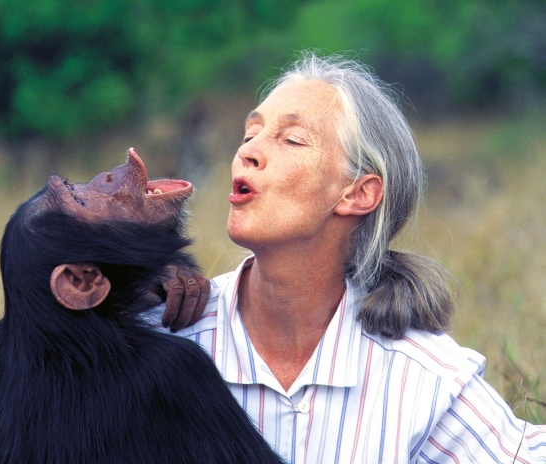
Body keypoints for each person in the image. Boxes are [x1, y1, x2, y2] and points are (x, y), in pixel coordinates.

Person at [155, 53, 546, 462]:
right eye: (250, 133)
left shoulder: (426, 381)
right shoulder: (163, 337)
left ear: (358, 194)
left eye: (292, 139)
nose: (248, 151)